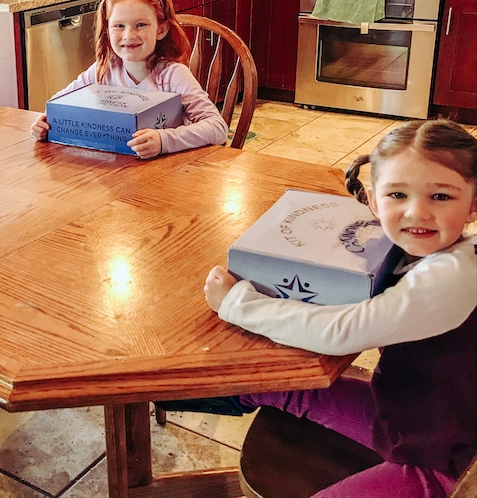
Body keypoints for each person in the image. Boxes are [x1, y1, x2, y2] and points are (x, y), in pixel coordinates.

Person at [159, 119, 477, 497]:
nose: (416, 213)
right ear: (373, 200)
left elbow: (341, 332)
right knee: (288, 387)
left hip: (447, 461)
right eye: (397, 195)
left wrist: (237, 303)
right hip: (410, 416)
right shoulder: (434, 250)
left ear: (474, 204)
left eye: (440, 197)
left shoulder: (456, 275)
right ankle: (179, 392)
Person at [31, 0, 228, 158]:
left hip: (166, 175)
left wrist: (164, 140)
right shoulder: (102, 70)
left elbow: (217, 127)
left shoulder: (173, 76)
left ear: (161, 29)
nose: (128, 35)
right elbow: (58, 105)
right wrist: (45, 122)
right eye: (119, 26)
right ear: (107, 30)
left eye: (141, 24)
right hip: (114, 173)